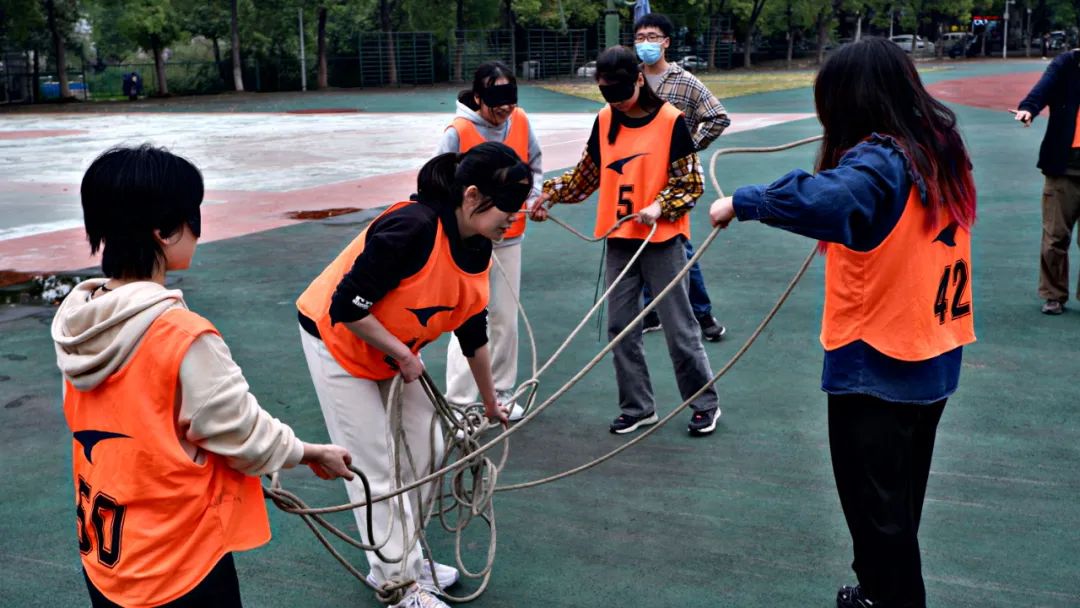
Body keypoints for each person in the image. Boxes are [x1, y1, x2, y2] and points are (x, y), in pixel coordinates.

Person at [709, 38, 977, 608]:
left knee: (881, 521)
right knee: (897, 506)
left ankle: (887, 597)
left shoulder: (881, 159)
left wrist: (743, 202)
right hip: (932, 353)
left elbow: (832, 199)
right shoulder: (937, 147)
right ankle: (877, 591)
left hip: (878, 361)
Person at [53, 144, 354, 608]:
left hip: (106, 551)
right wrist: (309, 452)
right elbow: (242, 433)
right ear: (164, 231)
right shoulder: (180, 335)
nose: (199, 228)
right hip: (177, 561)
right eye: (193, 215)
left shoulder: (79, 324)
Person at [296, 142, 528, 608]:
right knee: (374, 469)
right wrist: (403, 356)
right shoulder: (413, 228)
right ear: (471, 196)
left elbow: (472, 331)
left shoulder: (478, 246)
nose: (512, 217)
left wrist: (490, 402)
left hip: (394, 351)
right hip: (337, 342)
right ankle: (398, 583)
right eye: (506, 206)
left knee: (428, 448)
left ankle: (403, 557)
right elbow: (347, 306)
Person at [532, 46, 720, 437]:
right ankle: (638, 407)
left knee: (679, 329)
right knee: (620, 327)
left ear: (639, 78)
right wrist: (550, 193)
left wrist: (660, 205)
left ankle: (705, 404)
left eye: (620, 91)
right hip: (619, 239)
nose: (615, 100)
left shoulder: (670, 120)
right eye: (606, 92)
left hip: (662, 240)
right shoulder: (605, 120)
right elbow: (586, 176)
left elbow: (691, 183)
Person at [437, 61, 543, 420]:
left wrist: (532, 198)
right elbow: (439, 181)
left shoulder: (521, 121)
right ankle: (460, 402)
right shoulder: (458, 131)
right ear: (478, 97)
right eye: (497, 100)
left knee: (505, 319)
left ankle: (499, 393)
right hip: (468, 240)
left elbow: (535, 165)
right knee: (468, 318)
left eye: (511, 99)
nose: (505, 108)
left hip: (509, 238)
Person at [633, 12, 730, 342]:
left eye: (652, 37)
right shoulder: (632, 79)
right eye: (640, 38)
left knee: (678, 245)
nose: (646, 43)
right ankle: (651, 310)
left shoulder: (684, 81)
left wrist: (689, 147)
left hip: (675, 178)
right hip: (639, 174)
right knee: (642, 239)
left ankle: (702, 314)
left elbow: (717, 117)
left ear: (666, 42)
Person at [1014, 47, 1080, 314]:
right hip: (1062, 169)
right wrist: (1028, 108)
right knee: (1055, 237)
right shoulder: (1066, 64)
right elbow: (1043, 89)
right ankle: (1054, 295)